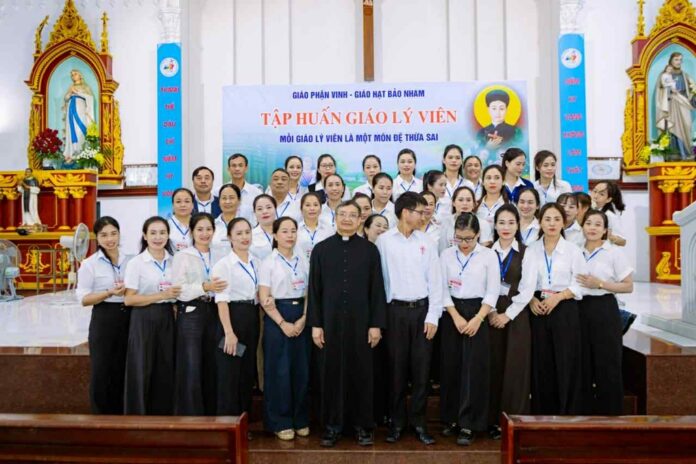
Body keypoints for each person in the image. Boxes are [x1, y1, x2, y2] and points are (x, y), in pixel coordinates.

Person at [308, 201, 387, 447]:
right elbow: (314, 290)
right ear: (335, 217)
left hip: (361, 323)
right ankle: (332, 426)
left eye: (353, 215)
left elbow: (377, 289)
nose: (347, 219)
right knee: (330, 374)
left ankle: (363, 426)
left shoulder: (370, 250)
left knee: (361, 374)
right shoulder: (321, 250)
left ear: (360, 219)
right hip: (329, 323)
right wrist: (316, 324)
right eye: (342, 214)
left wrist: (376, 324)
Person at [377, 192, 444, 445]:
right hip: (394, 312)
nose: (423, 216)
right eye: (419, 211)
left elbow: (435, 280)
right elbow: (380, 282)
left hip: (422, 312)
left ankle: (418, 422)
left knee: (421, 370)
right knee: (395, 369)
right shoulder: (384, 242)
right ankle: (395, 423)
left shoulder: (426, 241)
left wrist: (433, 316)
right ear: (405, 212)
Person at [439, 213, 500, 446]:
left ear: (478, 235)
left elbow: (493, 290)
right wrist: (455, 316)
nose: (464, 244)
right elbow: (441, 288)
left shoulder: (488, 255)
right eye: (459, 238)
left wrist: (478, 319)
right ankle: (452, 419)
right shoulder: (446, 255)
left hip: (478, 312)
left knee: (474, 370)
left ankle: (470, 423)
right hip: (452, 312)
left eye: (469, 239)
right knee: (451, 366)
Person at [524, 203, 586, 415]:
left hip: (564, 307)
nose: (552, 223)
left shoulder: (573, 250)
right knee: (541, 361)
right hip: (538, 308)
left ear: (563, 223)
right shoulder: (531, 249)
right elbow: (525, 282)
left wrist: (559, 297)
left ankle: (567, 412)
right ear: (540, 222)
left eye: (557, 219)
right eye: (547, 219)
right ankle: (543, 412)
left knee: (566, 359)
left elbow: (580, 284)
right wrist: (531, 300)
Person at [577, 210, 634, 415]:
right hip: (578, 308)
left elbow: (628, 286)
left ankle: (612, 415)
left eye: (597, 224)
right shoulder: (575, 251)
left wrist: (600, 284)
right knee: (582, 363)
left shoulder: (613, 252)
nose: (592, 228)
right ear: (582, 227)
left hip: (604, 308)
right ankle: (583, 415)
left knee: (607, 362)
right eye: (588, 223)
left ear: (605, 230)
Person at [259, 217, 311, 441]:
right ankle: (280, 421)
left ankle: (300, 418)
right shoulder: (268, 262)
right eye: (284, 231)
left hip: (301, 316)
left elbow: (310, 291)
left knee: (301, 370)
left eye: (293, 231)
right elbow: (264, 297)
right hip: (277, 317)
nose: (290, 235)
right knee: (279, 371)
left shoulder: (303, 259)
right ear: (275, 235)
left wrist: (304, 318)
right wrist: (282, 323)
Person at [171, 213, 227, 415]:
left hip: (216, 310)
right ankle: (191, 416)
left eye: (209, 229)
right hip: (192, 313)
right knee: (191, 364)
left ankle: (212, 413)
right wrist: (204, 287)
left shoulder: (221, 254)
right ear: (192, 232)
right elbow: (179, 290)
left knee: (214, 362)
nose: (205, 234)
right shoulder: (183, 256)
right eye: (200, 229)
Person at [487, 205, 535, 438]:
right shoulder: (486, 250)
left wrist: (507, 315)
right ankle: (491, 420)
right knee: (492, 366)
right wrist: (491, 312)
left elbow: (528, 289)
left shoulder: (527, 252)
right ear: (495, 225)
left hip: (516, 316)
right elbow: (480, 282)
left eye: (511, 222)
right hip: (489, 314)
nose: (506, 227)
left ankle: (514, 421)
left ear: (518, 225)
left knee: (516, 368)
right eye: (501, 222)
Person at [123, 216, 179, 414]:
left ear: (168, 235)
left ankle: (162, 414)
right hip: (143, 317)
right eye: (153, 233)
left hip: (167, 317)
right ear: (145, 236)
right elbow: (129, 299)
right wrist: (161, 295)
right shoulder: (136, 263)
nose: (158, 237)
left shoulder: (175, 261)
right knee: (141, 366)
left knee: (165, 365)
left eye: (162, 233)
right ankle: (137, 415)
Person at [76, 216, 131, 414]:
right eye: (104, 235)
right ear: (96, 238)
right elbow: (83, 299)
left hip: (130, 316)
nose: (110, 239)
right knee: (102, 368)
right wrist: (108, 292)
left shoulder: (131, 259)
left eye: (113, 234)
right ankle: (100, 416)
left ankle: (124, 413)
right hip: (105, 317)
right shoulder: (90, 264)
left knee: (124, 367)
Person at [212, 218, 261, 426]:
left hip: (252, 316)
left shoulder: (256, 261)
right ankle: (227, 425)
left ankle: (243, 424)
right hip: (233, 319)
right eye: (239, 233)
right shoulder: (224, 265)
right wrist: (229, 333)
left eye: (247, 232)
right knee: (230, 374)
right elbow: (221, 301)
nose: (244, 237)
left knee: (246, 373)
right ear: (229, 237)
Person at [655, 52, 696, 159]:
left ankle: (687, 152)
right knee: (672, 127)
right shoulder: (664, 75)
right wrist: (669, 90)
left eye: (680, 60)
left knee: (686, 125)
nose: (679, 62)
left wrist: (693, 95)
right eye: (676, 59)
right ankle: (674, 154)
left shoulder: (685, 75)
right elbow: (660, 90)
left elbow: (693, 89)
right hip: (671, 103)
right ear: (671, 61)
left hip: (683, 103)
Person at [62, 69, 95, 160]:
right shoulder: (71, 87)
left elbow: (90, 98)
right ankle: (73, 151)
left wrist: (78, 93)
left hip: (80, 108)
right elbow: (66, 98)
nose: (73, 76)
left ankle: (82, 151)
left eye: (75, 74)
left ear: (80, 75)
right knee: (71, 128)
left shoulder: (85, 87)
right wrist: (70, 93)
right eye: (72, 75)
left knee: (80, 128)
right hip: (71, 108)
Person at [295, 192, 333, 262]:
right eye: (307, 205)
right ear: (301, 209)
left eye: (315, 205)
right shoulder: (295, 229)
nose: (312, 208)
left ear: (320, 209)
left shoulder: (328, 229)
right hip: (300, 266)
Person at [227, 153, 263, 221]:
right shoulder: (219, 192)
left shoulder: (257, 193)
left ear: (246, 168)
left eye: (240, 165)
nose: (237, 169)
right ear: (228, 169)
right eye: (234, 166)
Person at [591, 181, 626, 247]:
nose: (595, 196)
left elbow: (623, 241)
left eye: (601, 194)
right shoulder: (590, 210)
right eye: (595, 191)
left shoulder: (610, 216)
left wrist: (609, 236)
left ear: (608, 199)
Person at [476, 165, 509, 229]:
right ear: (482, 182)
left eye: (497, 178)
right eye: (488, 178)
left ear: (503, 181)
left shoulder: (509, 205)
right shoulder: (475, 205)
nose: (492, 181)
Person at [212, 183, 241, 255]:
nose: (227, 202)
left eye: (231, 198)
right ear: (219, 201)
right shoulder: (212, 225)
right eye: (224, 198)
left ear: (239, 201)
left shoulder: (246, 226)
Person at [250, 194, 277, 261]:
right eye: (259, 209)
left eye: (269, 207)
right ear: (254, 213)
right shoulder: (250, 236)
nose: (265, 211)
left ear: (275, 209)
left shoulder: (285, 232)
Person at [168, 188, 195, 252]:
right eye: (178, 202)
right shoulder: (166, 225)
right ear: (173, 205)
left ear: (192, 205)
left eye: (187, 201)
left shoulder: (198, 224)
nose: (183, 205)